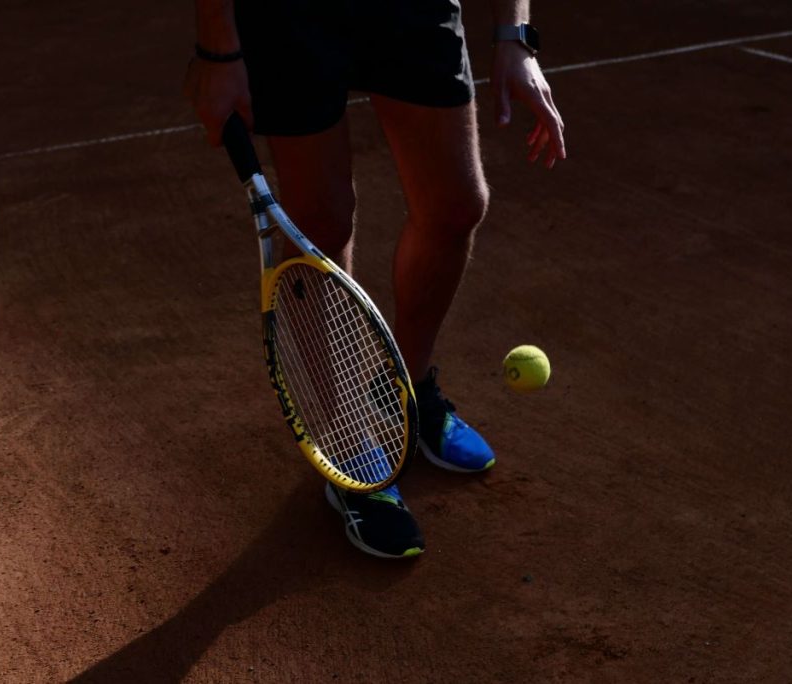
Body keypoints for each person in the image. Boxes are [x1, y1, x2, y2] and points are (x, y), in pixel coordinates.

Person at [185, 0, 565, 559]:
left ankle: (401, 394)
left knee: (457, 204)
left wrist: (515, 36)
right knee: (321, 222)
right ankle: (345, 443)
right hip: (292, 15)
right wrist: (218, 45)